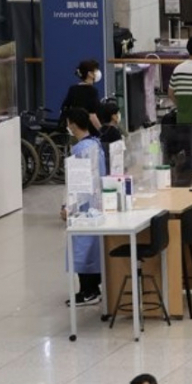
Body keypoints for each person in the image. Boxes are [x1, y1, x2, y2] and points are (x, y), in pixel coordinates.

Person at [62, 108, 107, 305]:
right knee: (93, 248)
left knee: (82, 249)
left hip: (84, 207)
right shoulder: (96, 145)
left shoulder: (80, 150)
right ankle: (93, 288)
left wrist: (67, 207)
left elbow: (76, 182)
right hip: (97, 203)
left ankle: (88, 291)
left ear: (72, 124)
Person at [60, 59, 102, 130]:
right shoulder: (92, 91)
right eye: (95, 70)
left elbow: (64, 107)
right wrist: (102, 131)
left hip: (75, 128)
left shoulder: (73, 89)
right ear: (89, 74)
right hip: (88, 129)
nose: (97, 73)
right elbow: (92, 115)